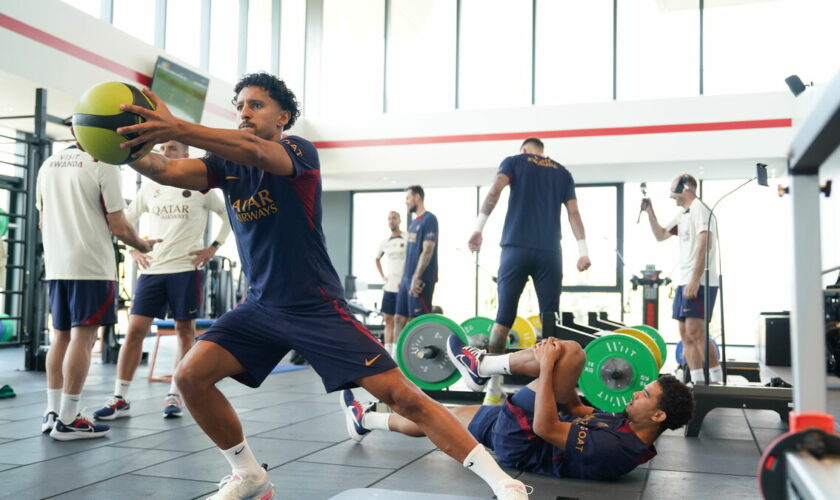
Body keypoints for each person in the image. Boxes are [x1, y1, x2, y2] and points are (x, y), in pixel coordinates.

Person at [113, 72, 529, 500]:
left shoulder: (298, 151)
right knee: (190, 376)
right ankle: (249, 474)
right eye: (239, 106)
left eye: (255, 105)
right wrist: (119, 146)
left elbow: (255, 149)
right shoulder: (224, 165)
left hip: (315, 305)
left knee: (403, 398)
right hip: (260, 307)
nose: (243, 113)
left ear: (283, 117)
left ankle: (505, 483)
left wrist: (177, 127)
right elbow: (161, 168)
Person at [342, 335, 694, 481]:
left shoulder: (616, 448)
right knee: (440, 418)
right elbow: (581, 413)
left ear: (659, 415)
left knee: (569, 353)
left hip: (524, 442)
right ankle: (366, 419)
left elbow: (546, 429)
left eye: (644, 395)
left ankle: (482, 367)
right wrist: (568, 394)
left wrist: (546, 368)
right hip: (526, 431)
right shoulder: (632, 427)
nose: (634, 394)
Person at [93, 140, 232, 421]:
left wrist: (214, 247)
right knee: (134, 332)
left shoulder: (201, 187)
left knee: (184, 332)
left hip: (186, 268)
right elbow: (123, 221)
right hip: (152, 271)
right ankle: (120, 397)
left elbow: (228, 215)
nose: (165, 152)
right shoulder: (150, 187)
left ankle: (175, 395)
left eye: (171, 148)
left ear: (185, 154)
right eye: (163, 148)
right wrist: (132, 248)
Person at [37, 144, 158, 441]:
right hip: (90, 264)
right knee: (84, 336)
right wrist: (142, 246)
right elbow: (118, 225)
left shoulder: (48, 164)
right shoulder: (103, 161)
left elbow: (42, 221)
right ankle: (68, 419)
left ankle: (53, 413)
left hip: (57, 263)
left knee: (61, 336)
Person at [468, 137, 591, 404]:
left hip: (516, 248)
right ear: (542, 151)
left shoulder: (514, 161)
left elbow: (494, 192)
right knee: (549, 323)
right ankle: (547, 388)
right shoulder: (562, 172)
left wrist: (478, 228)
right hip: (549, 253)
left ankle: (494, 387)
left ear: (524, 150)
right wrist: (583, 251)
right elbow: (574, 213)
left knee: (503, 319)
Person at [641, 174, 721, 384]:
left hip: (701, 280)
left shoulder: (700, 209)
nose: (670, 194)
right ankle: (697, 382)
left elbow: (705, 244)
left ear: (685, 188)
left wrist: (695, 279)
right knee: (685, 333)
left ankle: (718, 380)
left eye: (672, 189)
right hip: (684, 280)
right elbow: (660, 235)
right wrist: (650, 212)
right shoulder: (682, 214)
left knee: (696, 331)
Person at [394, 186, 438, 335]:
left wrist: (415, 277)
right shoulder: (413, 224)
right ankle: (394, 356)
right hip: (407, 279)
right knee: (399, 319)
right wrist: (404, 278)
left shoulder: (429, 220)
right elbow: (410, 254)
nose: (406, 202)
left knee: (417, 321)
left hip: (421, 280)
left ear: (417, 197)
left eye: (408, 198)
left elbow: (427, 251)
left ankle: (415, 357)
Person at [374, 210, 406, 357]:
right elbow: (377, 259)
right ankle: (388, 354)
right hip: (389, 287)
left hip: (403, 287)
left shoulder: (406, 238)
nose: (391, 221)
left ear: (399, 220)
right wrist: (383, 277)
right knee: (388, 319)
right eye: (389, 219)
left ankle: (397, 354)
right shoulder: (384, 243)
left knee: (400, 321)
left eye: (394, 218)